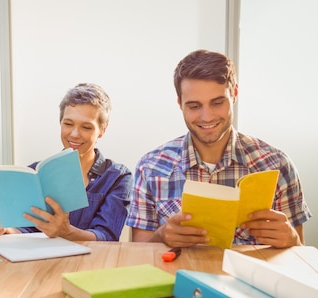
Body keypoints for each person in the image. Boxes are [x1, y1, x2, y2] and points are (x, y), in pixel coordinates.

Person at [126, 49, 312, 248]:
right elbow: (139, 252)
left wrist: (292, 241)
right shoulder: (151, 167)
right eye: (194, 106)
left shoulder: (276, 164)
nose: (207, 117)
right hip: (177, 277)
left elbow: (299, 256)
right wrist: (161, 236)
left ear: (234, 94)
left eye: (217, 103)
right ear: (180, 104)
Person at [0, 82, 132, 241]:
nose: (74, 134)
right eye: (68, 124)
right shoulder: (35, 174)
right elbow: (26, 229)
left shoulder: (117, 177)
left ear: (102, 130)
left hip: (93, 263)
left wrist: (66, 232)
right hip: (44, 262)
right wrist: (4, 229)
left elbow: (107, 236)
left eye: (86, 127)